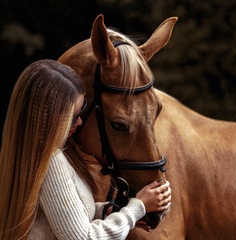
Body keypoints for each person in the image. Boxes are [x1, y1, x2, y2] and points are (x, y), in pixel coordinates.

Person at [0, 59, 171, 240]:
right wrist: (137, 208)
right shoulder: (51, 161)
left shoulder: (29, 154)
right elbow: (85, 238)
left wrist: (108, 212)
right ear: (47, 119)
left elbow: (64, 217)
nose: (80, 122)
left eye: (81, 113)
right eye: (72, 117)